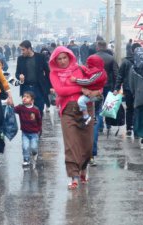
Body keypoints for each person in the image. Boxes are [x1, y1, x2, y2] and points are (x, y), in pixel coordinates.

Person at [49, 46, 102, 189]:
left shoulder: (81, 68)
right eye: (59, 59)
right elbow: (61, 90)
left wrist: (90, 89)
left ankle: (84, 169)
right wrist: (81, 88)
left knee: (87, 143)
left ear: (70, 57)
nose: (62, 61)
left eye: (64, 57)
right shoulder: (54, 74)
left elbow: (95, 82)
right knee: (71, 144)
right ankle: (74, 176)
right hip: (68, 111)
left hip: (86, 109)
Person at [15, 40, 51, 116]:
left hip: (38, 88)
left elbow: (48, 72)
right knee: (27, 111)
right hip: (26, 88)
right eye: (21, 50)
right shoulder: (20, 59)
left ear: (29, 49)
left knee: (39, 111)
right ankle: (29, 127)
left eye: (23, 50)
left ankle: (38, 127)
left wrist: (51, 87)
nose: (22, 52)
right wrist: (19, 77)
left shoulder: (40, 57)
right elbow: (17, 73)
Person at [70, 55, 107, 126]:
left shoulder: (97, 72)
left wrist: (76, 80)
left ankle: (87, 118)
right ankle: (92, 120)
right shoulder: (99, 71)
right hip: (95, 93)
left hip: (93, 94)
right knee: (97, 111)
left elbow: (89, 81)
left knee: (82, 102)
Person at [114, 43, 141, 137]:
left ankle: (129, 128)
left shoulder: (125, 62)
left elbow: (120, 76)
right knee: (137, 109)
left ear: (132, 50)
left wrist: (117, 88)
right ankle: (137, 130)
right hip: (139, 89)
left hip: (128, 88)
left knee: (129, 109)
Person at [14, 91, 42, 167]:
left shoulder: (35, 110)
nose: (24, 98)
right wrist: (10, 104)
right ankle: (26, 160)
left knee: (34, 147)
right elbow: (13, 109)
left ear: (32, 100)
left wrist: (39, 129)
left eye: (27, 97)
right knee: (25, 146)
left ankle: (35, 153)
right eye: (24, 96)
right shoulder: (20, 107)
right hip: (25, 132)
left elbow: (39, 120)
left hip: (34, 133)